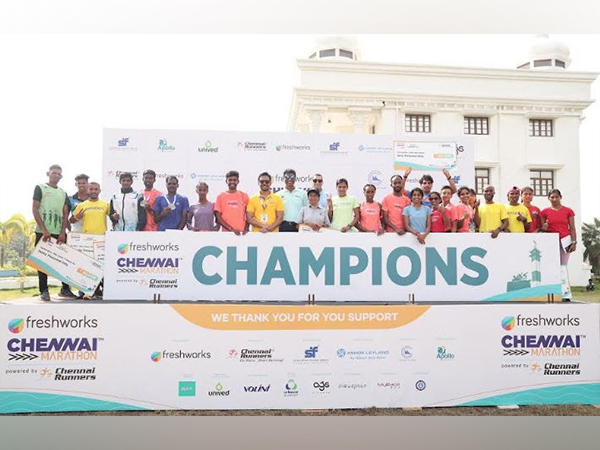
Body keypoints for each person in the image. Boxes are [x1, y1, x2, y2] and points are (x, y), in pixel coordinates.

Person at [32, 164, 77, 301]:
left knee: (63, 261)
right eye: (54, 173)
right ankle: (44, 291)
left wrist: (63, 232)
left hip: (59, 233)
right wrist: (44, 230)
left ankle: (65, 289)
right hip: (42, 232)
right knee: (42, 262)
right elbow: (35, 209)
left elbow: (65, 214)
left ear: (61, 176)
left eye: (58, 174)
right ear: (48, 173)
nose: (56, 176)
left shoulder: (63, 193)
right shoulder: (40, 187)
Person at [71, 182, 110, 300]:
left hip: (102, 240)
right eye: (91, 189)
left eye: (96, 189)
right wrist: (76, 216)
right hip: (86, 240)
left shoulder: (105, 205)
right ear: (88, 190)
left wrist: (116, 217)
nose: (93, 191)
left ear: (100, 191)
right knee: (86, 267)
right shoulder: (82, 205)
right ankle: (83, 291)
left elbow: (113, 216)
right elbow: (71, 220)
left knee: (102, 266)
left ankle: (100, 290)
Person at [540, 189, 577, 301]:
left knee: (563, 267)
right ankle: (551, 293)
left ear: (560, 197)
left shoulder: (568, 211)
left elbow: (572, 227)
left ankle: (565, 294)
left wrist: (574, 242)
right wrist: (544, 227)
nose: (554, 199)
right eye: (552, 197)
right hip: (551, 242)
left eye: (556, 197)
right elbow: (542, 228)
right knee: (551, 267)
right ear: (549, 198)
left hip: (565, 241)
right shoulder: (544, 212)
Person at [215, 170, 250, 235]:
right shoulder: (220, 196)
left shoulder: (244, 196)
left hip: (242, 234)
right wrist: (231, 229)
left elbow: (249, 215)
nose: (232, 182)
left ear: (238, 181)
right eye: (230, 180)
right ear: (226, 181)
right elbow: (218, 217)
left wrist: (246, 228)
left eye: (234, 180)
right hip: (226, 233)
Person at [279, 168, 308, 232]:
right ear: (283, 178)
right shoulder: (278, 195)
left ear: (295, 179)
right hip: (283, 225)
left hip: (298, 226)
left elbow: (306, 211)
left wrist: (302, 224)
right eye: (287, 177)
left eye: (292, 177)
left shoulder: (303, 194)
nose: (290, 179)